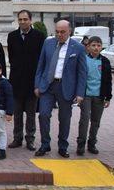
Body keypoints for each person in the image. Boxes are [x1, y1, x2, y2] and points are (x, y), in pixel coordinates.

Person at [34, 20, 87, 158]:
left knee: (64, 118)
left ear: (70, 31)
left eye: (62, 32)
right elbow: (41, 65)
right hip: (47, 86)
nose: (59, 34)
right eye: (57, 31)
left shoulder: (78, 48)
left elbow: (82, 72)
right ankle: (45, 144)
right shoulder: (48, 43)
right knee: (44, 115)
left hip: (66, 87)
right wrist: (37, 84)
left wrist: (80, 93)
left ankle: (63, 146)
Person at [7, 10, 45, 151]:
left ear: (30, 20)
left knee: (30, 114)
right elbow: (11, 57)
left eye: (25, 19)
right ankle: (17, 138)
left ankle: (30, 139)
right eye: (20, 19)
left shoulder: (39, 36)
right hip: (16, 81)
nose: (22, 22)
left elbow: (41, 59)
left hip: (32, 82)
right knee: (17, 113)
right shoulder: (12, 36)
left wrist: (39, 82)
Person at [77, 36, 112, 156]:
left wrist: (108, 97)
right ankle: (80, 144)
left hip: (100, 96)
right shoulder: (83, 60)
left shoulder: (105, 61)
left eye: (98, 45)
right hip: (86, 95)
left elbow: (108, 81)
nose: (96, 48)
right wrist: (78, 94)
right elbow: (79, 78)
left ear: (101, 47)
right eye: (93, 45)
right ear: (88, 47)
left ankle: (92, 143)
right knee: (85, 119)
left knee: (96, 121)